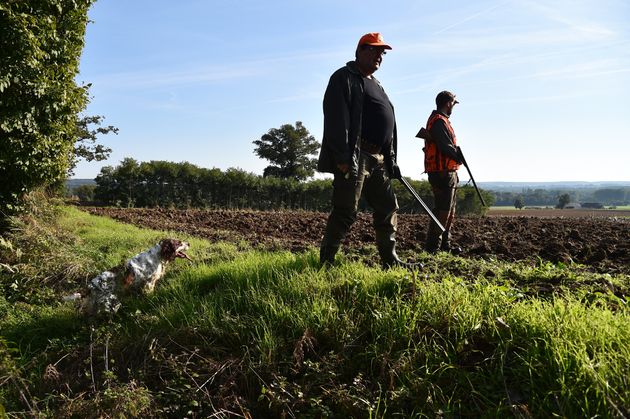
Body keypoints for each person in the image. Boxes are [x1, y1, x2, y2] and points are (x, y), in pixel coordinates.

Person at [317, 32, 415, 269]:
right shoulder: (344, 77)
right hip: (356, 155)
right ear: (361, 50)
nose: (380, 56)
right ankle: (326, 263)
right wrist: (342, 156)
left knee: (387, 207)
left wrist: (390, 158)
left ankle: (390, 261)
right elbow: (336, 118)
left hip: (378, 158)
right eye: (375, 50)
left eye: (383, 53)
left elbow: (388, 123)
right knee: (346, 210)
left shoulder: (377, 84)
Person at [422, 90, 463, 254]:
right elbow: (445, 146)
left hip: (445, 171)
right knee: (443, 210)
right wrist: (458, 157)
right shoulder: (439, 121)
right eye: (453, 103)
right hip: (442, 172)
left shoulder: (440, 120)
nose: (453, 106)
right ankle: (433, 247)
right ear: (448, 103)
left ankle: (444, 244)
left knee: (448, 210)